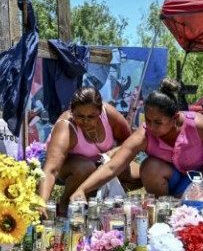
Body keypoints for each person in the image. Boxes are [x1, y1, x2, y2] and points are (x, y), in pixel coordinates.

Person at [70, 79, 203, 201]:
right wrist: (82, 190)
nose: (151, 127)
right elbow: (113, 167)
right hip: (171, 178)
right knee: (149, 166)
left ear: (174, 118)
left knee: (189, 211)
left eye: (158, 122)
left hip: (200, 177)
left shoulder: (196, 124)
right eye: (148, 120)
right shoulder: (145, 133)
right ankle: (163, 209)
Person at [39, 86, 138, 215]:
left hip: (102, 163)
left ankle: (102, 197)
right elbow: (52, 169)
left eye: (91, 116)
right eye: (80, 116)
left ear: (100, 112)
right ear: (71, 110)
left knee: (138, 175)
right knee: (86, 167)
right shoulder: (66, 127)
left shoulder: (109, 114)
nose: (85, 121)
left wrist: (113, 153)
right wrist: (41, 203)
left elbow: (129, 142)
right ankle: (65, 204)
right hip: (69, 168)